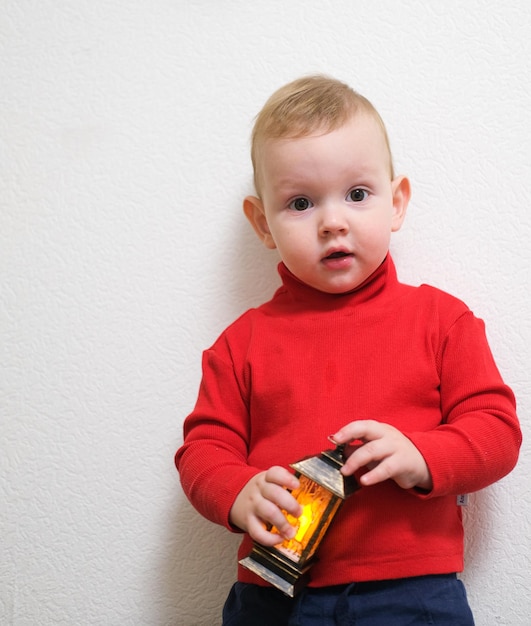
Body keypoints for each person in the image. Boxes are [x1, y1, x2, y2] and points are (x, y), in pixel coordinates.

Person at [175, 75, 521, 625]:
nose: (332, 221)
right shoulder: (239, 344)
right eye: (300, 202)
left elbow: (498, 432)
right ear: (263, 223)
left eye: (357, 194)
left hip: (412, 594)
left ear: (396, 202)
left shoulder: (442, 321)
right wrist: (238, 492)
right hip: (274, 597)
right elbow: (201, 449)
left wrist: (424, 456)